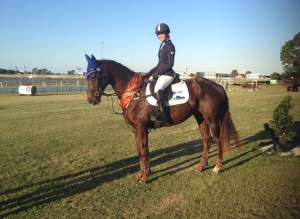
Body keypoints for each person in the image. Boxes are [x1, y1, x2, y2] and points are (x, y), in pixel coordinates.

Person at [147, 23, 176, 122]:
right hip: (162, 73)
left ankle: (164, 115)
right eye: (158, 34)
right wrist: (151, 72)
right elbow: (160, 63)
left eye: (162, 33)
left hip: (168, 74)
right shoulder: (162, 45)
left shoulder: (170, 46)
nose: (160, 36)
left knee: (158, 89)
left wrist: (158, 72)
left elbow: (170, 64)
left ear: (167, 33)